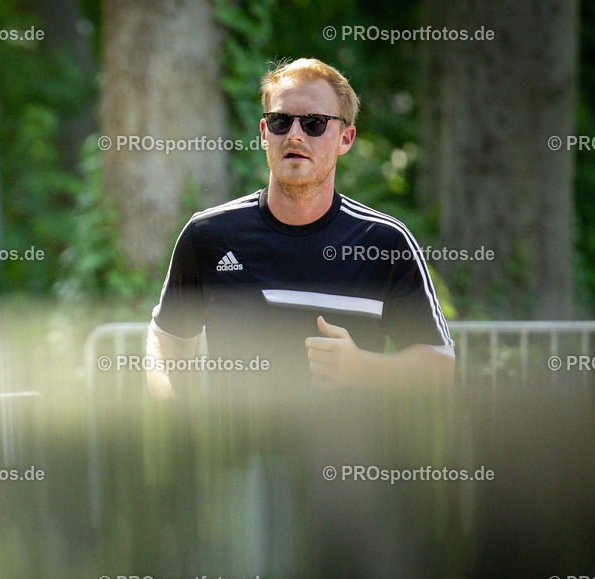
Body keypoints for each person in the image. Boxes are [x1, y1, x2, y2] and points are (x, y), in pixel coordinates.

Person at [147, 57, 454, 400]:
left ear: (345, 138)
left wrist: (362, 368)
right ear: (264, 134)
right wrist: (172, 407)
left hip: (348, 453)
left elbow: (441, 366)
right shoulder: (208, 234)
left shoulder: (386, 242)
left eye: (314, 123)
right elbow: (167, 337)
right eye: (280, 121)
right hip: (240, 453)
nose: (294, 135)